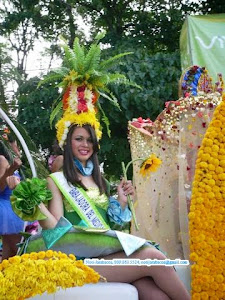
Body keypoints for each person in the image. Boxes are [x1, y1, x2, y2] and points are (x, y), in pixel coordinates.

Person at [36, 124, 190, 300]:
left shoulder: (101, 182)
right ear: (67, 143)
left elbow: (109, 228)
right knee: (153, 257)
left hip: (106, 256)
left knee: (156, 295)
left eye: (89, 140)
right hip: (78, 261)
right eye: (79, 139)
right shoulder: (57, 181)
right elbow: (56, 232)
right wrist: (36, 207)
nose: (85, 144)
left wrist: (122, 203)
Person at [0, 134, 24, 259]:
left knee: (9, 252)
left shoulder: (14, 163)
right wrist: (12, 168)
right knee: (19, 250)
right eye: (14, 144)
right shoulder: (2, 160)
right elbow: (1, 186)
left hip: (14, 208)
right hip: (7, 210)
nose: (17, 148)